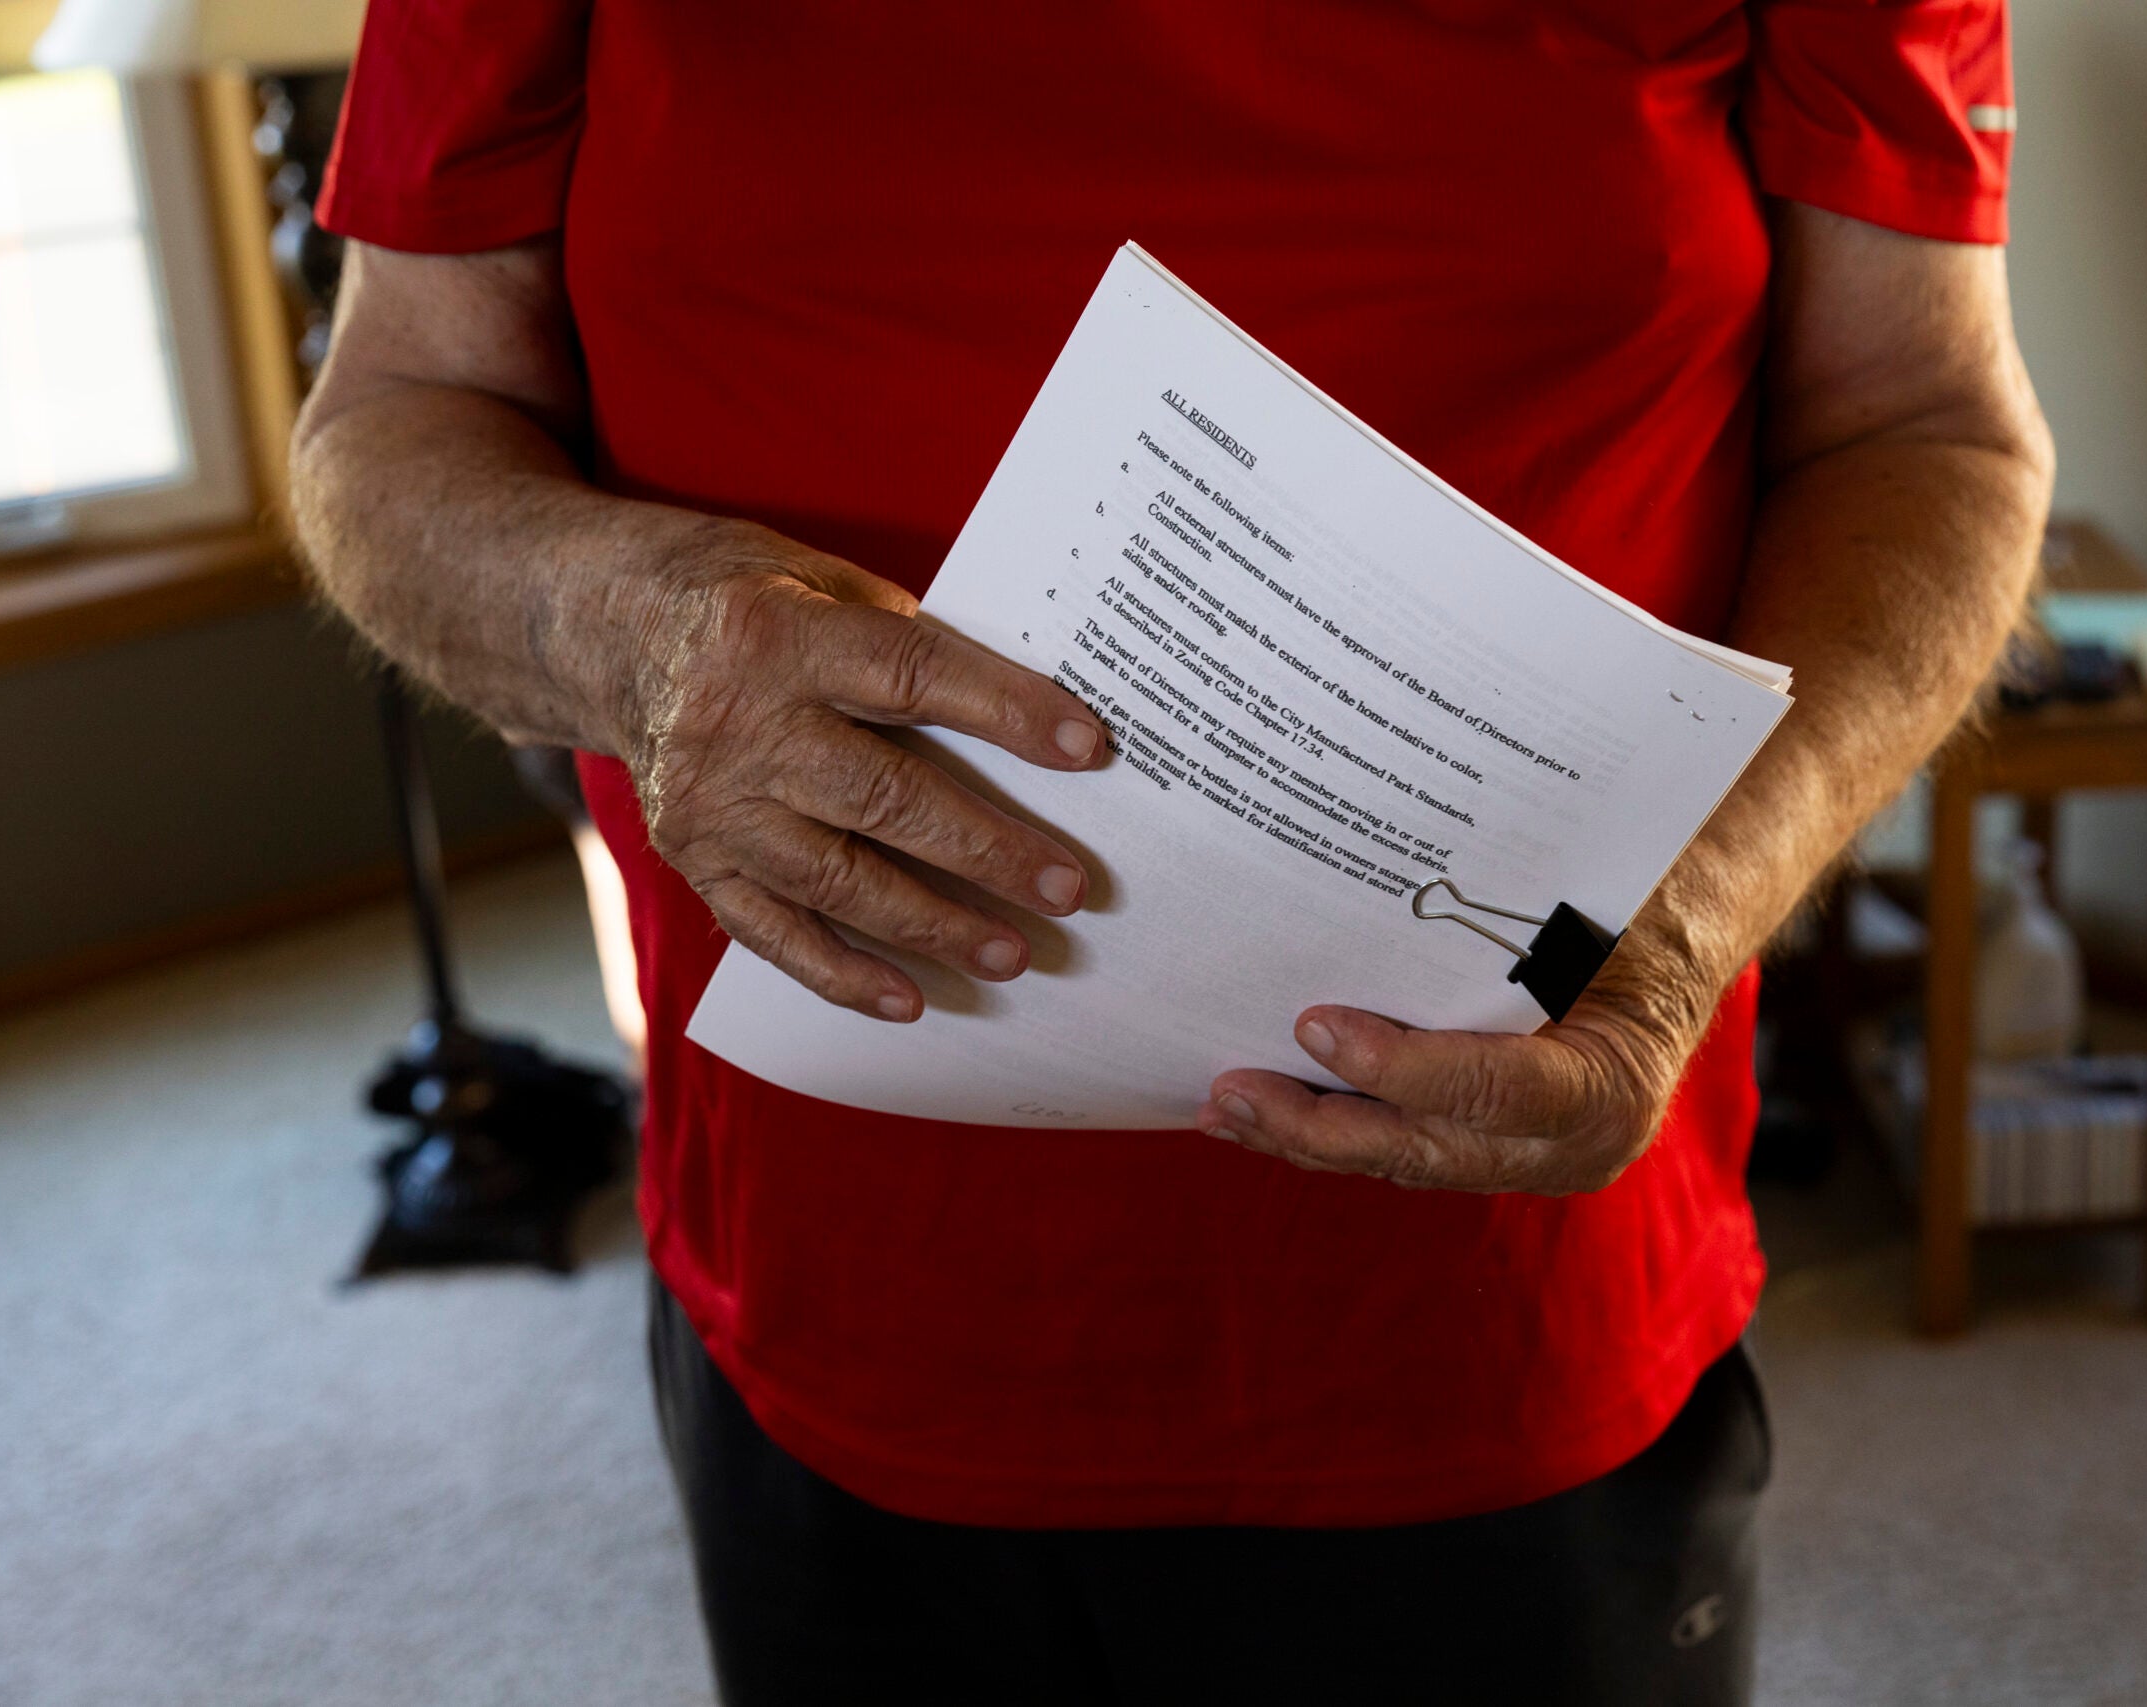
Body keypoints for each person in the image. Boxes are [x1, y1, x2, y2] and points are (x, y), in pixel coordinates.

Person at [293, 3, 2051, 1700]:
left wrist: (1684, 932)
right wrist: (631, 633)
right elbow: (391, 419)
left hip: (1497, 1299)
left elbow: (1925, 425)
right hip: (845, 1275)